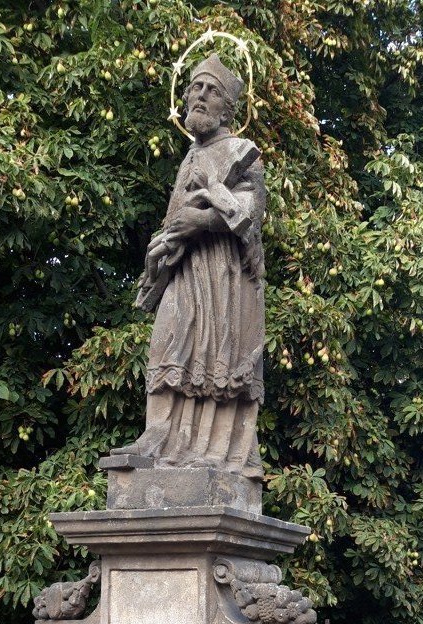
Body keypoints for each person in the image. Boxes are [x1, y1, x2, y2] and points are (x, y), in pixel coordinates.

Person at [112, 53, 265, 476]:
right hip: (184, 269)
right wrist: (166, 241)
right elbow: (174, 217)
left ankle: (214, 451)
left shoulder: (242, 153)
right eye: (195, 88)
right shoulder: (188, 157)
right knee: (168, 341)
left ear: (227, 108)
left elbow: (251, 212)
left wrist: (203, 218)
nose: (200, 96)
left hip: (222, 273)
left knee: (218, 352)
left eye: (211, 91)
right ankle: (159, 437)